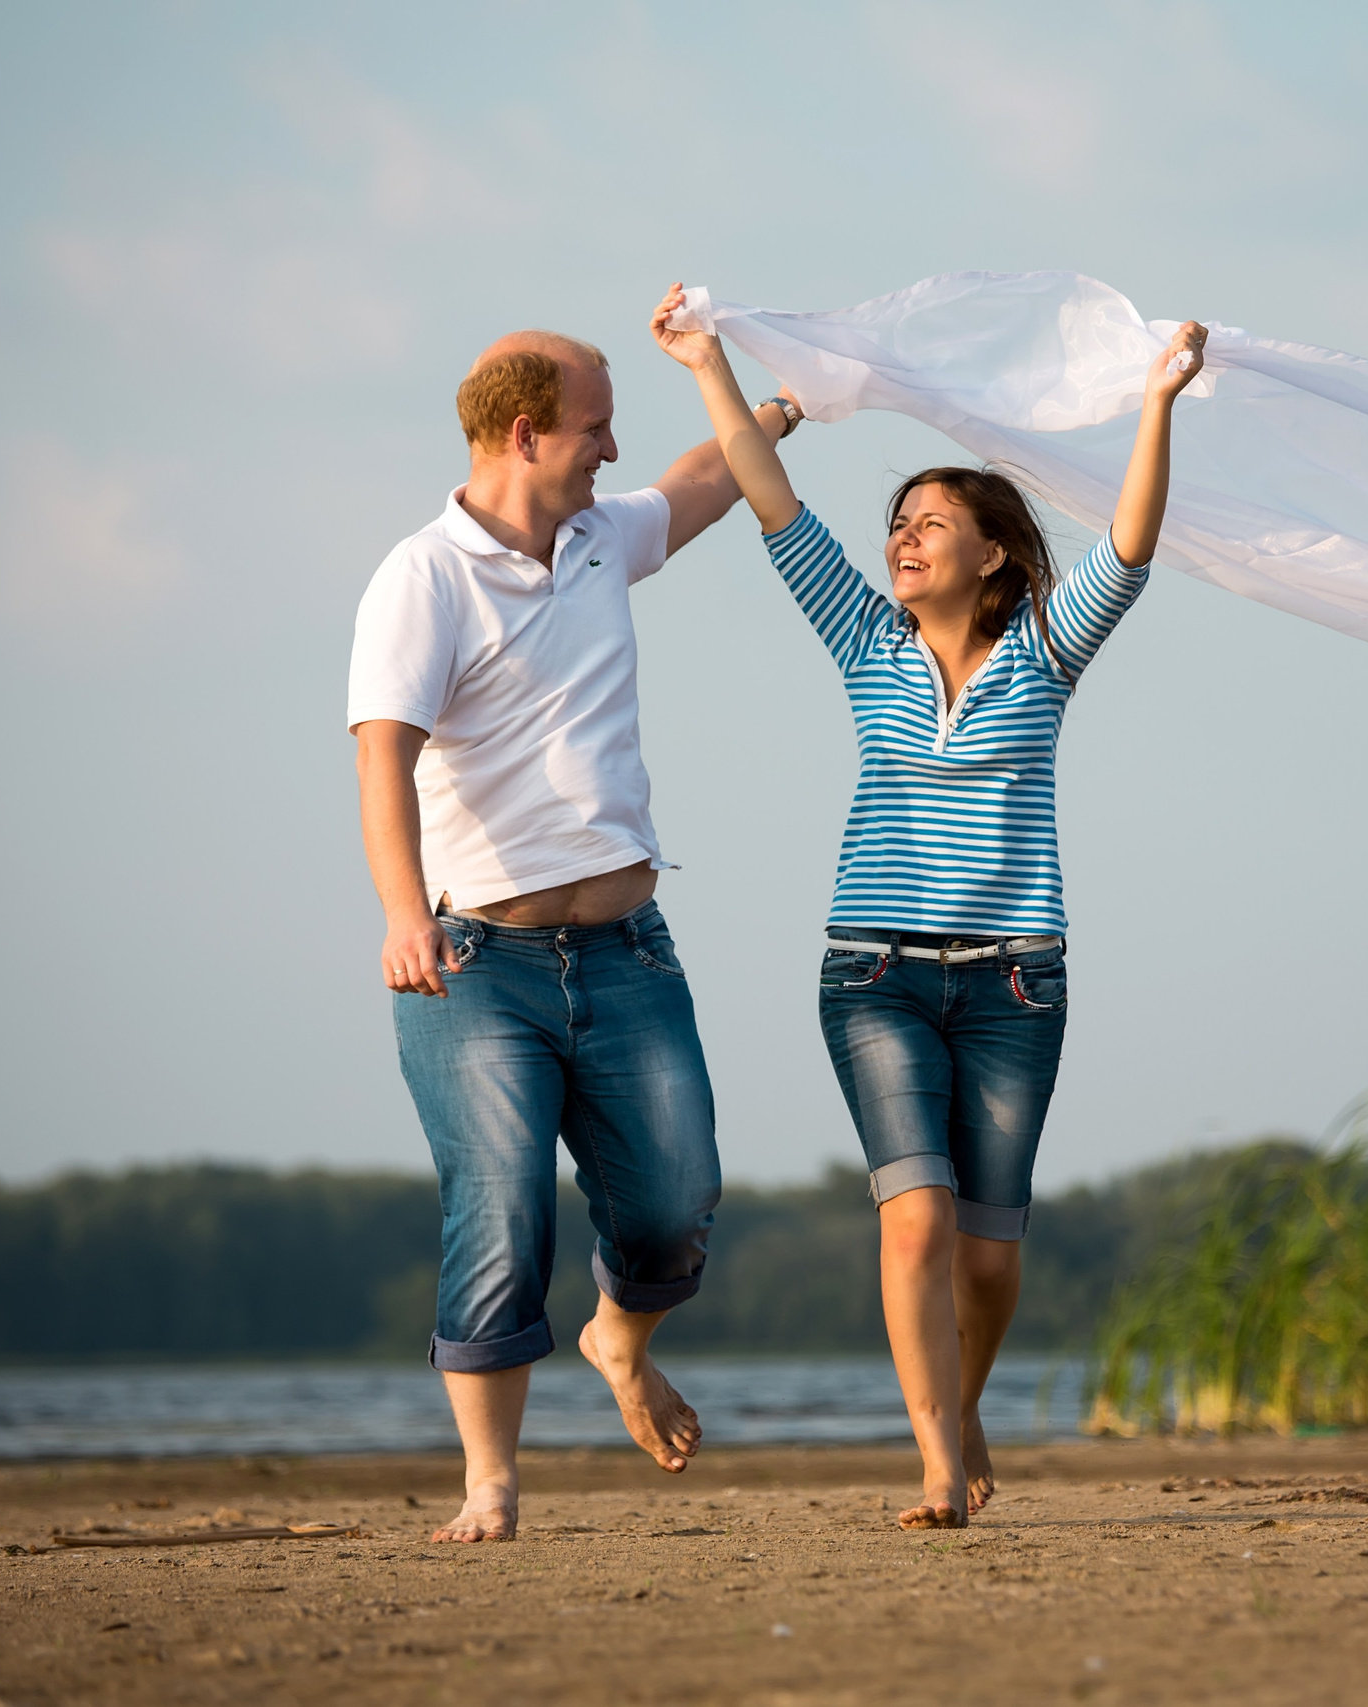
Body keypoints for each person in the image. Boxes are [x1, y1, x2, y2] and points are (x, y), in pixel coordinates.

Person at [651, 282, 1207, 1528]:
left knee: (992, 1254)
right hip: (876, 978)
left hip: (1015, 982)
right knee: (915, 1225)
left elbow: (1128, 543)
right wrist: (704, 364)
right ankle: (938, 1465)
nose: (902, 538)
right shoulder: (863, 641)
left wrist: (1157, 404)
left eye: (932, 522)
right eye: (896, 521)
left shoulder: (1048, 655)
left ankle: (964, 1402)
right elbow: (762, 485)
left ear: (994, 551)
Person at [347, 328, 798, 1542]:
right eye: (596, 425)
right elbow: (380, 755)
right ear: (523, 434)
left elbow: (705, 479)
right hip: (476, 965)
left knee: (675, 1202)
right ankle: (490, 1481)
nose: (613, 447)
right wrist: (401, 914)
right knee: (500, 1214)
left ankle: (618, 1337)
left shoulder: (603, 540)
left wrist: (796, 399)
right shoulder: (423, 576)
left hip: (628, 949)